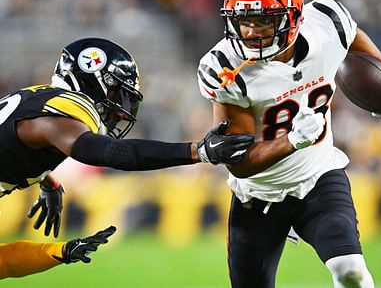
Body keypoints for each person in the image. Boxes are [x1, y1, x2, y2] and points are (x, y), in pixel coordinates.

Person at [196, 0, 381, 288]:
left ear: (293, 17)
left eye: (264, 20)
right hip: (259, 194)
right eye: (243, 21)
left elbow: (351, 36)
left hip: (318, 175)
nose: (251, 32)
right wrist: (293, 140)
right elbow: (239, 163)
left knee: (350, 269)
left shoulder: (327, 21)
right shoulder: (226, 67)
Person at [0, 37, 255, 279]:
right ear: (95, 82)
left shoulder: (38, 99)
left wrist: (48, 182)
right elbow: (107, 152)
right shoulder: (62, 111)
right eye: (116, 95)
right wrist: (198, 151)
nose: (121, 112)